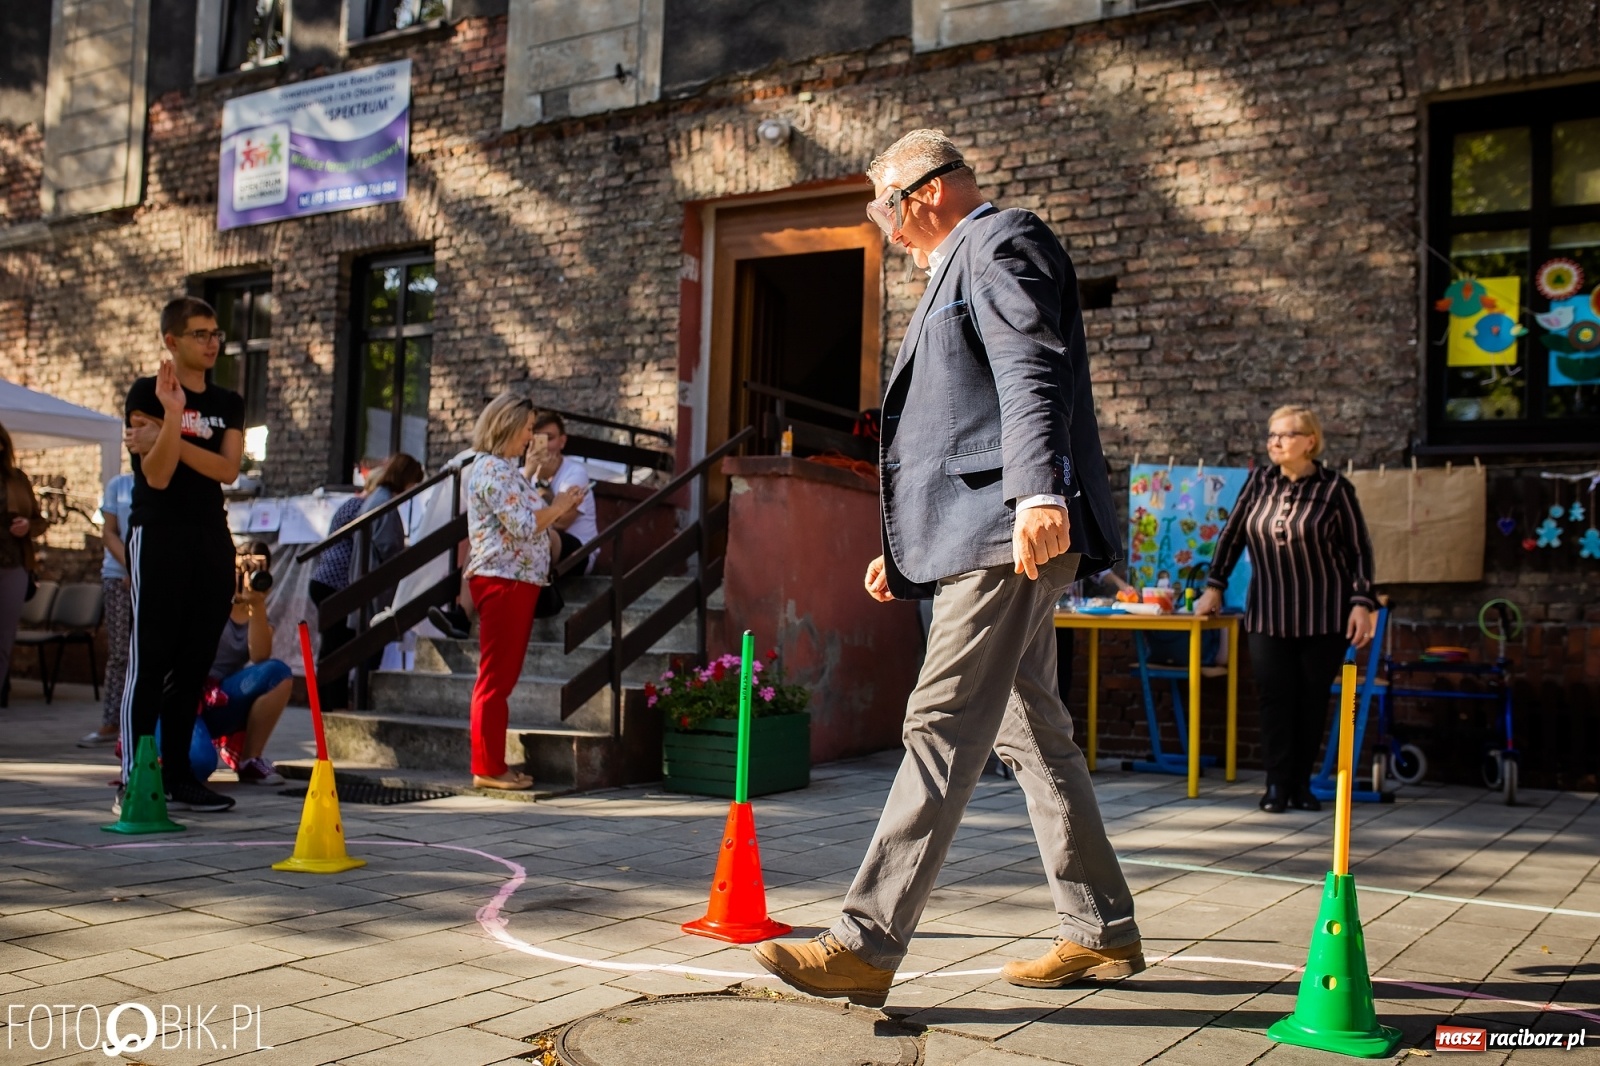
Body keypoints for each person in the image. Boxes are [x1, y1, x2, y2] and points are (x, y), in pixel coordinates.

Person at [753, 130, 1141, 1007]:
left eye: (881, 208)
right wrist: (905, 549)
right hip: (976, 531)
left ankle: (864, 943)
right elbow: (946, 432)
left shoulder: (1001, 241)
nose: (881, 227)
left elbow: (1028, 370)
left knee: (939, 721)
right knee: (1029, 729)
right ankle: (1103, 930)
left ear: (922, 194)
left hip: (1008, 530)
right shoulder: (955, 263)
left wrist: (1039, 492)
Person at [1194, 404, 1376, 814]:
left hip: (1323, 614)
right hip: (1268, 614)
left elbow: (1359, 550)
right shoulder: (1258, 482)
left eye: (1285, 435)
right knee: (1274, 699)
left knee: (1311, 700)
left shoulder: (1335, 489)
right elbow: (1231, 535)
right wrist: (1214, 586)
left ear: (1310, 441)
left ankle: (1301, 786)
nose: (1275, 442)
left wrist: (1362, 602)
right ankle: (1276, 786)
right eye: (1271, 435)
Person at [118, 296, 243, 813]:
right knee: (150, 660)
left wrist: (168, 436)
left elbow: (228, 470)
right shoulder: (148, 393)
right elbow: (159, 475)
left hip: (210, 537)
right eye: (200, 334)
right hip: (160, 534)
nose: (212, 342)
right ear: (171, 340)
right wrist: (171, 414)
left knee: (193, 663)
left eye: (216, 333)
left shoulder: (229, 401)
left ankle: (178, 778)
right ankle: (134, 778)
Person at [464, 393, 586, 790]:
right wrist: (563, 504)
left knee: (501, 677)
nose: (532, 436)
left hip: (512, 580)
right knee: (496, 679)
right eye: (529, 427)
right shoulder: (493, 470)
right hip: (503, 581)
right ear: (508, 426)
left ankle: (492, 763)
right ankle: (487, 767)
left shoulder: (502, 469)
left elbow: (522, 508)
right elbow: (524, 525)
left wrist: (532, 472)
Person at [205, 544, 291, 785]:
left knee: (278, 672)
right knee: (198, 763)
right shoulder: (209, 596)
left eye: (255, 570)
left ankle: (250, 760)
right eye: (243, 569)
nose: (246, 576)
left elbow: (261, 657)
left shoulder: (258, 609)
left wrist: (256, 604)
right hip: (193, 696)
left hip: (222, 697)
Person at [79, 470, 134, 746]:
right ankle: (111, 722)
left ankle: (146, 724)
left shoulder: (170, 479)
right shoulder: (119, 485)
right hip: (118, 576)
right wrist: (132, 567)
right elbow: (109, 532)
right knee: (120, 652)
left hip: (157, 576)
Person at [0, 423, 47, 694]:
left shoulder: (17, 478)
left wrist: (28, 526)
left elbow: (40, 521)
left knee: (4, 637)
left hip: (13, 563)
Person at [529, 412, 598, 575]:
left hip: (579, 551)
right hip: (540, 547)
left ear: (562, 441)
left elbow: (561, 523)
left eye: (549, 438)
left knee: (541, 537)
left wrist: (542, 483)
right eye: (539, 439)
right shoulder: (524, 474)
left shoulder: (575, 473)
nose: (544, 445)